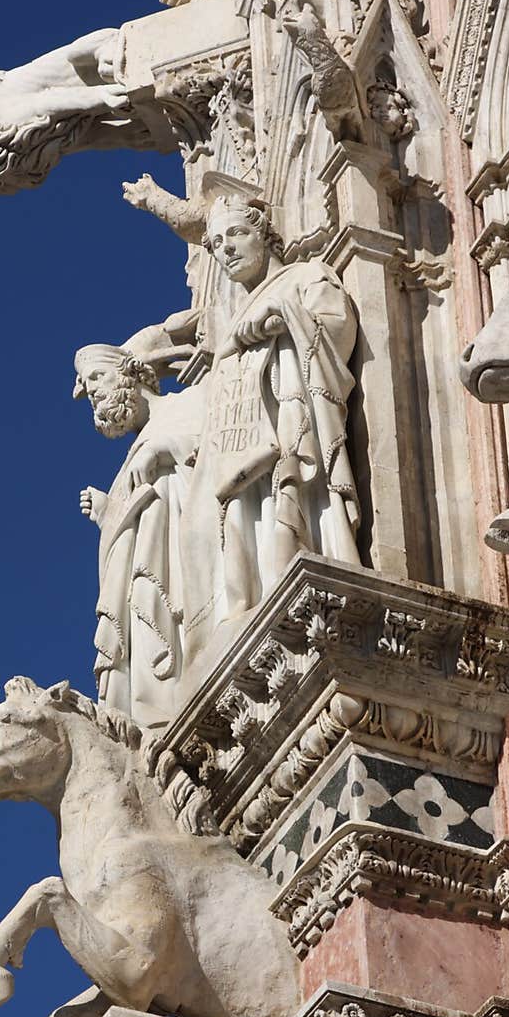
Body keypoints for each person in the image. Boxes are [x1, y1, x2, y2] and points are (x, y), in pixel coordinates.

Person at [180, 187, 361, 671]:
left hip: (290, 435)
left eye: (237, 234)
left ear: (265, 233)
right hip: (239, 455)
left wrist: (285, 319)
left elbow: (337, 330)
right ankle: (248, 605)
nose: (227, 250)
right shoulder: (231, 320)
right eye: (217, 244)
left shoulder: (307, 275)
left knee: (288, 506)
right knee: (237, 527)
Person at [75, 315, 202, 727]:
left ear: (131, 373)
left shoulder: (186, 405)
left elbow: (217, 446)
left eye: (97, 378)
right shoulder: (131, 456)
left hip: (182, 570)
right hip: (146, 578)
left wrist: (166, 448)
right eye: (89, 386)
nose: (92, 392)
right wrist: (109, 513)